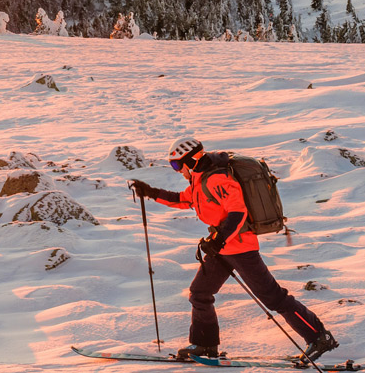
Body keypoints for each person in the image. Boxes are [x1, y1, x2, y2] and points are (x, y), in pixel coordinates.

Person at [129, 137, 337, 363]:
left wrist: (218, 240)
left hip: (240, 248)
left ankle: (319, 337)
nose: (177, 170)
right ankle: (205, 344)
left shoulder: (218, 179)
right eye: (174, 166)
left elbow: (238, 213)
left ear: (191, 159)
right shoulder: (200, 179)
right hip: (222, 249)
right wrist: (150, 192)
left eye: (177, 165)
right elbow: (182, 199)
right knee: (200, 293)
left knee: (273, 298)